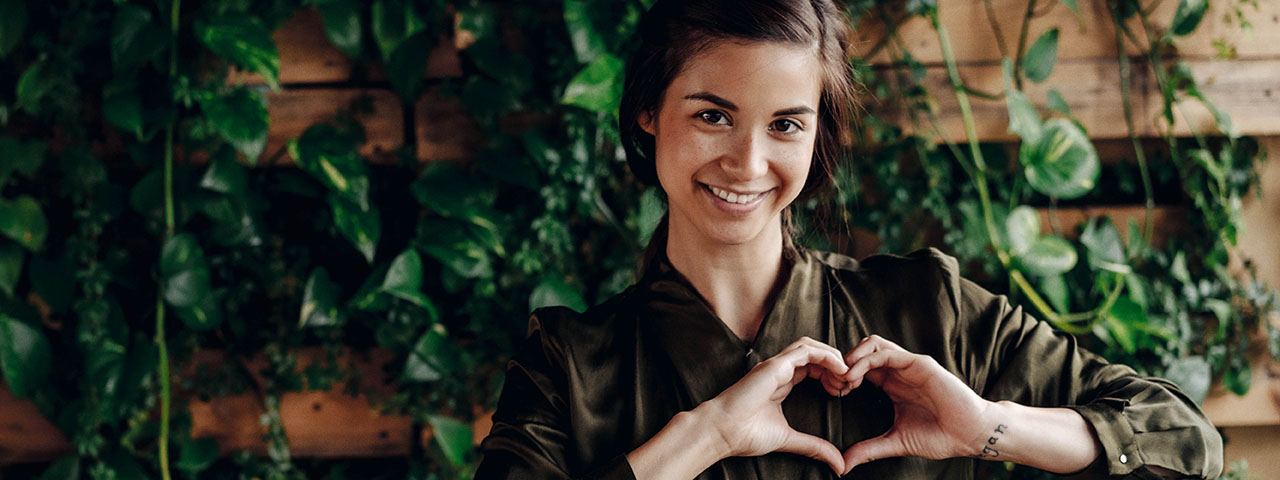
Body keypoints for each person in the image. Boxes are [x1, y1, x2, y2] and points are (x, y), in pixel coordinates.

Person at [474, 0, 1223, 478]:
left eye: (786, 125)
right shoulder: (566, 365)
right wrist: (703, 436)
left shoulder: (934, 312)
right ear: (647, 110)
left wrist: (991, 427)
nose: (747, 162)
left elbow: (1187, 441)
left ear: (817, 135)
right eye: (712, 115)